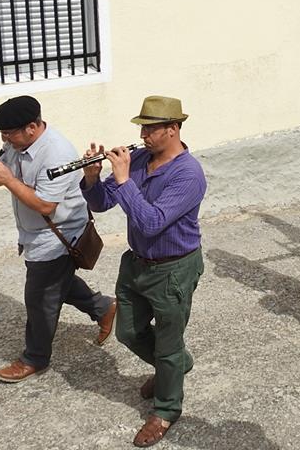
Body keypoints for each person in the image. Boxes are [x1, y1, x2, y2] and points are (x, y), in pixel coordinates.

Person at [81, 96, 206, 448]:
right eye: (142, 127)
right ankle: (177, 367)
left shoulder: (188, 174)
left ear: (173, 129)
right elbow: (102, 203)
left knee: (167, 344)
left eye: (151, 128)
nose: (144, 135)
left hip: (173, 269)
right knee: (129, 332)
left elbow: (152, 223)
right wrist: (92, 179)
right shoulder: (138, 160)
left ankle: (166, 409)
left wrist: (123, 181)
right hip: (137, 263)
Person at [0, 96, 115, 384]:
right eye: (2, 134)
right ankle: (104, 307)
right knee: (55, 282)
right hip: (36, 234)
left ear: (33, 127)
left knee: (38, 299)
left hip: (57, 235)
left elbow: (45, 205)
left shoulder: (57, 153)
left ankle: (34, 358)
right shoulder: (18, 143)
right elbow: (10, 174)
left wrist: (8, 181)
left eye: (9, 133)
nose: (4, 139)